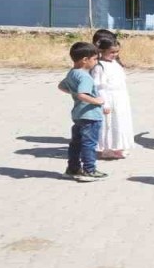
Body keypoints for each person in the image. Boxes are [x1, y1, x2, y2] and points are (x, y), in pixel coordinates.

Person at [57, 42, 107, 182]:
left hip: (78, 114)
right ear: (85, 59)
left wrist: (73, 92)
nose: (96, 62)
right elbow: (82, 94)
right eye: (95, 59)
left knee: (76, 143)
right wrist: (97, 101)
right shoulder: (85, 77)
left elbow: (61, 86)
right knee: (89, 144)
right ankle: (89, 170)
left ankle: (73, 169)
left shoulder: (72, 73)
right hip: (90, 115)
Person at [93, 38, 134, 160]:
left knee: (120, 122)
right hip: (109, 98)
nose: (115, 54)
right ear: (102, 51)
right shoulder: (99, 66)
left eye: (117, 52)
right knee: (108, 124)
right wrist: (104, 103)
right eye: (112, 52)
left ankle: (118, 147)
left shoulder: (115, 63)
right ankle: (106, 149)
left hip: (120, 97)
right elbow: (99, 87)